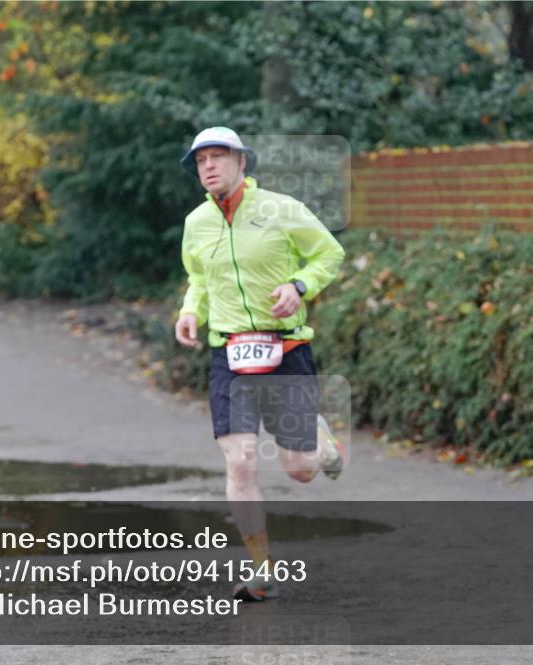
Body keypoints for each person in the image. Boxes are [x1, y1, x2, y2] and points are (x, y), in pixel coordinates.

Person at [174, 127, 348, 601]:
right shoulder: (197, 223)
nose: (208, 166)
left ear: (241, 163)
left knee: (301, 470)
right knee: (241, 461)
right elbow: (199, 280)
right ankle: (261, 567)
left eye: (218, 157)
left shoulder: (281, 209)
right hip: (228, 354)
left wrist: (298, 286)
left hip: (286, 349)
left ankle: (321, 439)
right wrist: (191, 311)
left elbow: (328, 254)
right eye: (201, 160)